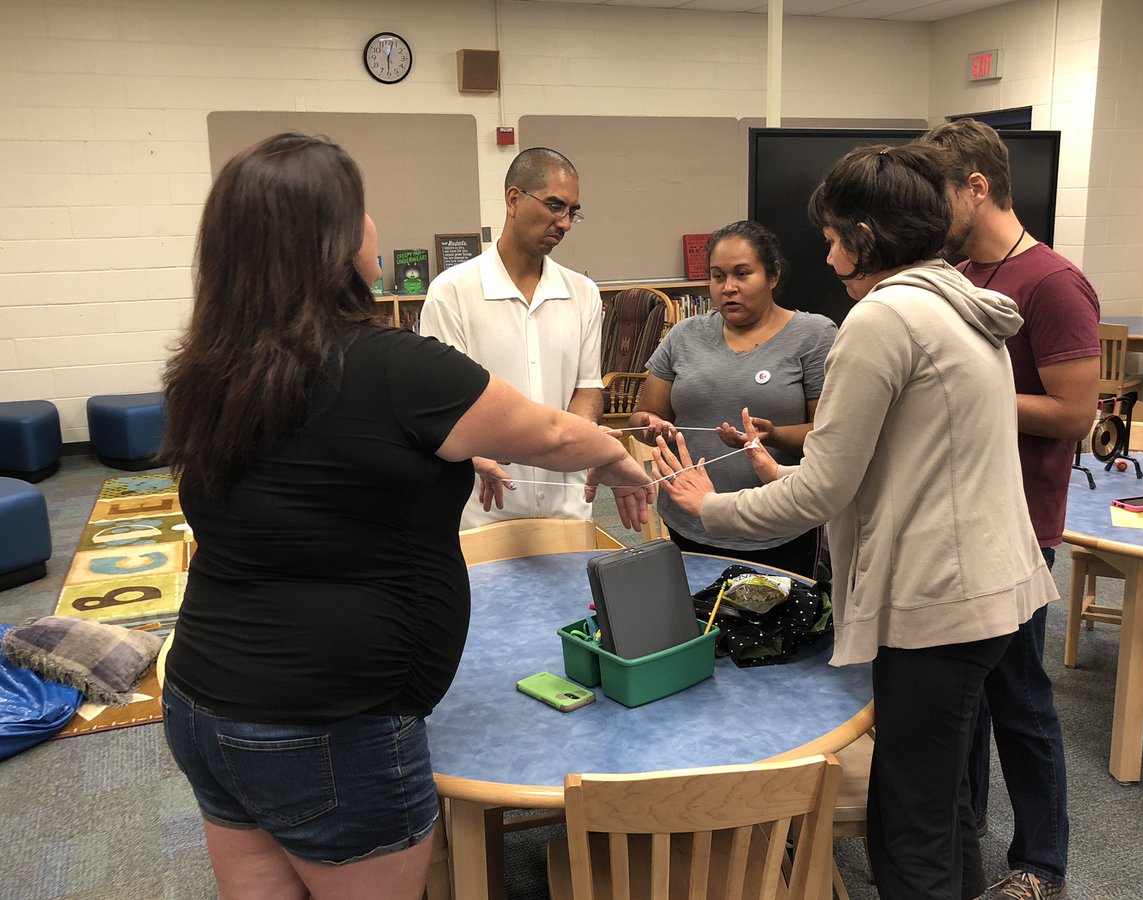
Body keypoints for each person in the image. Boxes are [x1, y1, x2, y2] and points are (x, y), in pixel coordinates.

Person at [157, 133, 652, 900]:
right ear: (335, 239)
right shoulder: (390, 365)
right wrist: (615, 456)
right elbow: (551, 430)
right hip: (329, 727)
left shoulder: (206, 367)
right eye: (362, 212)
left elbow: (333, 466)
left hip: (202, 705)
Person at [651, 143, 1058, 900]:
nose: (829, 254)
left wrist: (709, 507)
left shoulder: (882, 318)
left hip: (938, 604)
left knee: (907, 831)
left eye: (835, 236)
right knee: (942, 808)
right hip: (990, 592)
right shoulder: (956, 302)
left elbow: (821, 497)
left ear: (866, 236)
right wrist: (792, 469)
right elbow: (904, 461)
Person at [923, 117, 1098, 900]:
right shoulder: (963, 275)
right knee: (967, 702)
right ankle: (971, 832)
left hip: (1022, 526)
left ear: (977, 187)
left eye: (937, 193)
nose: (928, 211)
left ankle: (1041, 864)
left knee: (1019, 699)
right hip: (961, 520)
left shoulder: (1053, 282)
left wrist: (970, 390)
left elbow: (1073, 414)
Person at [627, 220, 836, 577]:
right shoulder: (684, 335)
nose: (728, 288)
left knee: (776, 626)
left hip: (776, 524)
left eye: (742, 274)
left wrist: (774, 435)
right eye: (718, 276)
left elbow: (830, 434)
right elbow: (642, 415)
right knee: (695, 624)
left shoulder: (814, 335)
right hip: (690, 521)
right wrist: (649, 426)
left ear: (772, 275)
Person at [421, 147, 604, 528]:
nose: (565, 223)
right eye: (555, 206)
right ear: (514, 199)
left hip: (565, 502)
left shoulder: (583, 292)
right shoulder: (452, 291)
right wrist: (481, 454)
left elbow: (587, 389)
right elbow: (443, 404)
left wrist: (571, 443)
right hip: (484, 502)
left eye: (572, 211)